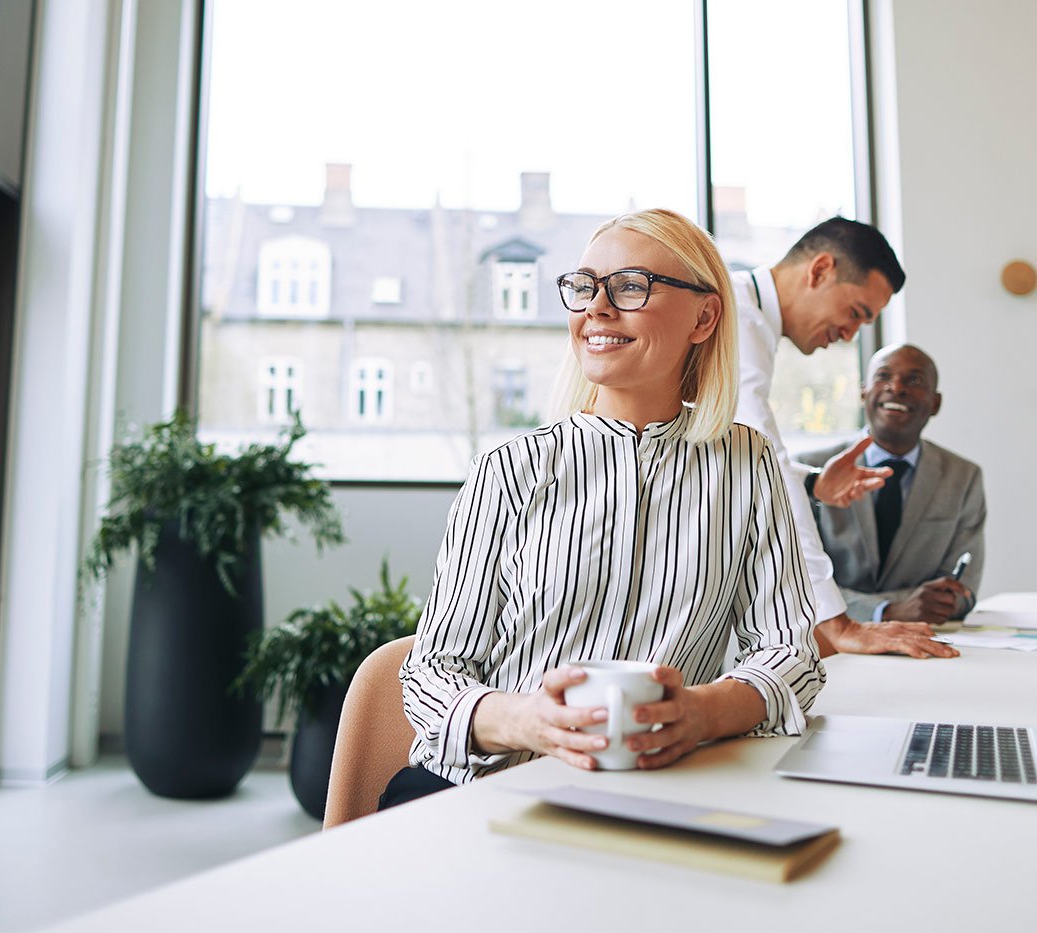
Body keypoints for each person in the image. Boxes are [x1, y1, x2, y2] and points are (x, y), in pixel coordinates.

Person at [386, 209, 824, 804]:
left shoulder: (747, 463)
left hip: (659, 795)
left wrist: (703, 712)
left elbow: (791, 653)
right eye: (585, 286)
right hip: (489, 791)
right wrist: (528, 721)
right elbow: (430, 674)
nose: (596, 307)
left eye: (631, 286)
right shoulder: (511, 469)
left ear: (704, 317)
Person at [732, 217, 958, 659]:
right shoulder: (738, 320)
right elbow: (764, 465)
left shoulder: (749, 317)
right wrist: (837, 623)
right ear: (820, 270)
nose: (850, 336)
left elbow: (745, 455)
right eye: (855, 313)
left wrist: (814, 483)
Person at [796, 344, 985, 624]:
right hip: (826, 639)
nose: (896, 388)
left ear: (935, 403)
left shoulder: (963, 476)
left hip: (921, 639)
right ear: (863, 392)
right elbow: (797, 582)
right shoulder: (809, 471)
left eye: (914, 379)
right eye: (883, 376)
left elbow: (962, 589)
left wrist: (946, 601)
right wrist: (886, 610)